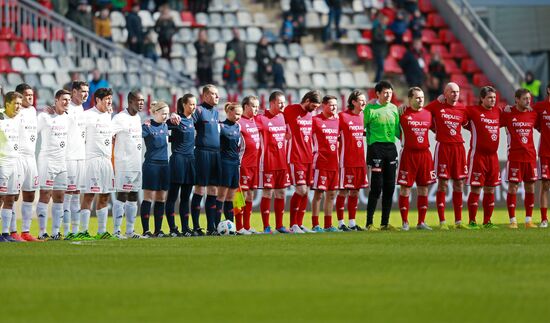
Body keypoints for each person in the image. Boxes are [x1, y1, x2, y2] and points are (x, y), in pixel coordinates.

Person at [425, 82, 468, 230]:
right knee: (443, 183)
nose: (455, 94)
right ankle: (442, 221)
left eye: (457, 91)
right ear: (445, 93)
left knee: (459, 183)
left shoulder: (463, 108)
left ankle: (458, 221)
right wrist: (434, 129)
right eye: (452, 92)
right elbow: (423, 113)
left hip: (458, 148)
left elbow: (468, 123)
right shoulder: (438, 105)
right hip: (443, 147)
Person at [77, 88, 116, 240]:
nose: (109, 102)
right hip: (92, 160)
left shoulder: (108, 115)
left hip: (106, 161)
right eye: (106, 99)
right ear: (98, 100)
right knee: (89, 195)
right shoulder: (87, 115)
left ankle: (102, 231)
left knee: (105, 196)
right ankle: (83, 230)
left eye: (110, 99)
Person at [364, 80, 400, 230]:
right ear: (377, 93)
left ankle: (385, 223)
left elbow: (398, 131)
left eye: (390, 93)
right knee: (376, 187)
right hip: (376, 148)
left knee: (390, 187)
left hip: (391, 148)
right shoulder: (370, 109)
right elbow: (361, 126)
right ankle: (369, 223)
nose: (388, 95)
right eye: (385, 92)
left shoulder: (394, 109)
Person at [397, 87, 435, 231]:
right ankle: (405, 222)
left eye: (422, 97)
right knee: (405, 189)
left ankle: (421, 222)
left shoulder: (428, 114)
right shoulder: (401, 113)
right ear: (410, 99)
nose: (420, 100)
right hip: (408, 154)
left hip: (425, 155)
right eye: (417, 97)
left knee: (423, 189)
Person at [464, 86, 501, 229]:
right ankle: (472, 221)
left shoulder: (498, 111)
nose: (493, 100)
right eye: (489, 98)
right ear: (482, 99)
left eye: (494, 98)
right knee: (476, 189)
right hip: (477, 156)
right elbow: (457, 112)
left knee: (490, 190)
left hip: (493, 157)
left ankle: (487, 221)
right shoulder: (472, 111)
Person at [284, 90, 321, 233]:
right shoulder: (291, 110)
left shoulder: (311, 115)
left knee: (306, 193)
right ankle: (293, 225)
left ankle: (299, 224)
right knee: (301, 190)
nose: (315, 109)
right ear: (306, 100)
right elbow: (277, 119)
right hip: (295, 157)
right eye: (314, 105)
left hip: (308, 158)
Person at [501, 89, 538, 229]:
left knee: (530, 187)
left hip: (530, 157)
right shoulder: (508, 114)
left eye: (529, 98)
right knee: (513, 187)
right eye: (524, 99)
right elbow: (492, 116)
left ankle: (528, 220)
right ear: (516, 99)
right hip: (515, 157)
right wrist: (504, 108)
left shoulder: (533, 114)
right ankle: (513, 220)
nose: (528, 101)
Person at [36, 90, 70, 240]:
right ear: (56, 100)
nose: (66, 102)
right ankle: (42, 231)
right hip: (47, 161)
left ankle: (55, 232)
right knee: (45, 195)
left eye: (68, 100)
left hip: (62, 162)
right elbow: (32, 131)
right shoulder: (44, 116)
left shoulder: (69, 118)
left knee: (60, 196)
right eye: (63, 99)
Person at [187, 85, 221, 236]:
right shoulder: (199, 110)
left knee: (213, 190)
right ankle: (195, 227)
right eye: (214, 94)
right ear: (206, 96)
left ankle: (211, 227)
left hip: (216, 155)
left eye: (217, 94)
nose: (217, 97)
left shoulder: (216, 112)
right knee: (200, 189)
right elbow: (187, 123)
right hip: (202, 153)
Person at [111, 90, 145, 239]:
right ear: (130, 101)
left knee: (133, 195)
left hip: (136, 163)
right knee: (122, 195)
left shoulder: (137, 117)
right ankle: (117, 230)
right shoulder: (120, 118)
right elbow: (109, 134)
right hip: (124, 164)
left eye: (143, 100)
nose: (142, 103)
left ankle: (130, 231)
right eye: (139, 100)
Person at [8, 84, 38, 241]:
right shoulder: (15, 112)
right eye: (27, 95)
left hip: (31, 158)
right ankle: (12, 231)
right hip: (18, 157)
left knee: (30, 194)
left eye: (32, 95)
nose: (30, 97)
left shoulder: (33, 111)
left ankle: (25, 232)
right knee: (13, 195)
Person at [256, 91, 290, 234]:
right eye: (280, 102)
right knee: (268, 192)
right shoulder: (261, 118)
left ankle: (280, 226)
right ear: (272, 103)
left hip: (282, 163)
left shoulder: (284, 117)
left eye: (284, 102)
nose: (283, 105)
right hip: (268, 162)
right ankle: (266, 226)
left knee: (281, 193)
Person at [336, 90, 368, 231]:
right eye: (361, 100)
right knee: (343, 191)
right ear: (353, 102)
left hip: (360, 160)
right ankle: (341, 223)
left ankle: (352, 223)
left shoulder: (364, 116)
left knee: (355, 192)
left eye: (365, 100)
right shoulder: (342, 117)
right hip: (346, 161)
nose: (364, 102)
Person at [165, 94, 197, 237]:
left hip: (190, 161)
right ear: (184, 105)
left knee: (186, 197)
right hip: (178, 160)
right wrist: (171, 114)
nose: (193, 107)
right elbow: (162, 124)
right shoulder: (177, 120)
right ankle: (172, 228)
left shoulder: (195, 119)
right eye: (191, 104)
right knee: (172, 196)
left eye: (195, 104)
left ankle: (185, 228)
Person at [140, 101, 171, 237]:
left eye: (167, 113)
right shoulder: (147, 127)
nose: (166, 116)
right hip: (151, 165)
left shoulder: (167, 126)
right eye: (163, 113)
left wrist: (174, 115)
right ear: (155, 113)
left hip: (165, 165)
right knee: (148, 197)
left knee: (161, 198)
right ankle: (146, 230)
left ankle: (158, 230)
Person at [63, 81, 89, 240]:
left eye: (87, 91)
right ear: (73, 92)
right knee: (68, 194)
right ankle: (65, 231)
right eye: (82, 91)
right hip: (69, 157)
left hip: (81, 157)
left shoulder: (81, 109)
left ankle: (75, 230)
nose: (85, 94)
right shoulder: (67, 109)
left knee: (77, 193)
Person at [311, 95, 340, 232]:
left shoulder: (338, 121)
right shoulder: (315, 120)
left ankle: (328, 224)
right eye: (331, 105)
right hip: (320, 162)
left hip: (334, 163)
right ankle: (315, 224)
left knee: (332, 194)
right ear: (324, 105)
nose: (334, 107)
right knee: (319, 194)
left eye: (335, 105)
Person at [235, 96, 261, 235]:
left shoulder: (255, 121)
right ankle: (239, 227)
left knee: (250, 195)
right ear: (245, 106)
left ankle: (247, 226)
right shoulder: (239, 122)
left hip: (254, 166)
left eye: (257, 106)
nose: (256, 109)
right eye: (254, 106)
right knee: (240, 196)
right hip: (243, 164)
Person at [0, 91, 23, 242]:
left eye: (20, 104)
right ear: (7, 104)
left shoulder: (19, 118)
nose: (18, 107)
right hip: (2, 162)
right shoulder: (0, 117)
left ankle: (6, 233)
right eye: (16, 103)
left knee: (11, 198)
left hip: (15, 162)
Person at [216, 103, 243, 231]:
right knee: (221, 196)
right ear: (229, 111)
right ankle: (215, 226)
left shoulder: (238, 126)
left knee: (231, 198)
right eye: (237, 114)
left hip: (234, 164)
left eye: (240, 115)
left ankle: (231, 226)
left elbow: (239, 146)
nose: (238, 117)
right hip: (224, 164)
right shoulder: (221, 126)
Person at [534, 83, 550, 227]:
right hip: (545, 152)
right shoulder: (540, 107)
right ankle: (544, 219)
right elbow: (525, 111)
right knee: (545, 185)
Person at [371, 12, 389, 82]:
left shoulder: (383, 28)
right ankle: (377, 81)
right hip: (378, 50)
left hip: (382, 50)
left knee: (380, 67)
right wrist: (385, 39)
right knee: (380, 66)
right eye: (384, 20)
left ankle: (377, 80)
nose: (385, 22)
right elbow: (375, 38)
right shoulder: (377, 28)